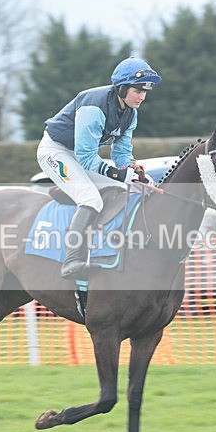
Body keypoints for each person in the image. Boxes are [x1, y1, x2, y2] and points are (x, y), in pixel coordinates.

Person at [37, 56, 161, 279]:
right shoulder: (94, 106)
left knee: (122, 191)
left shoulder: (131, 113)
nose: (142, 97)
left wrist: (135, 172)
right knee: (91, 199)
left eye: (145, 92)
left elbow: (122, 154)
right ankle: (72, 260)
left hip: (78, 155)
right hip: (55, 152)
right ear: (122, 88)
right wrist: (118, 173)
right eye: (137, 91)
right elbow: (86, 158)